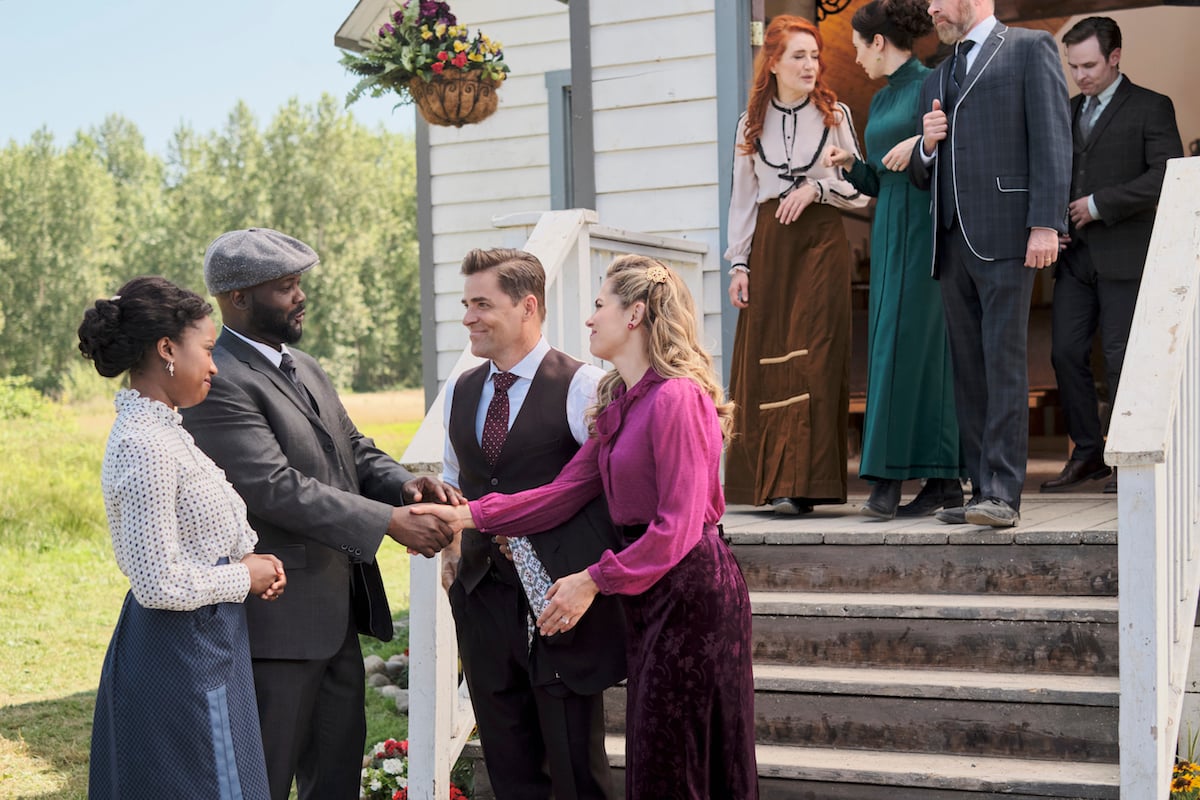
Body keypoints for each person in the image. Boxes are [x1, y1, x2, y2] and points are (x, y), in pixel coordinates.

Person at [415, 255, 758, 798]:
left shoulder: (679, 398)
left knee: (685, 760)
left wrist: (593, 578)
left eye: (600, 306)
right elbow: (562, 494)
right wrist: (464, 515)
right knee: (655, 757)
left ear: (636, 314)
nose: (589, 319)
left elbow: (677, 528)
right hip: (647, 593)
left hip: (691, 592)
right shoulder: (620, 400)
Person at [179, 228, 458, 800]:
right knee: (267, 780)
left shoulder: (304, 365)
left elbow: (351, 447)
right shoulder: (219, 380)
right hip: (275, 626)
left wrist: (406, 486)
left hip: (335, 617)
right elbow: (274, 487)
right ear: (237, 298)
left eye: (299, 283)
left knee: (334, 780)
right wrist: (387, 523)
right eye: (285, 287)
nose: (300, 295)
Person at [79, 276, 286, 800]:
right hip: (177, 655)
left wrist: (248, 558)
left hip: (209, 643)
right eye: (209, 350)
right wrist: (245, 574)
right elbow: (156, 583)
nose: (215, 366)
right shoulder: (143, 445)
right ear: (168, 349)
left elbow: (199, 535)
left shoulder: (168, 430)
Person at [439, 248, 626, 799]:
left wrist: (590, 582)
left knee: (574, 767)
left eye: (482, 304)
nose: (469, 317)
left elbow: (610, 498)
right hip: (483, 599)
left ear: (527, 306)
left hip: (557, 603)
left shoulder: (584, 386)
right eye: (465, 304)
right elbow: (459, 484)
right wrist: (453, 565)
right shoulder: (461, 388)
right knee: (508, 761)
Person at [907, 0, 1071, 527]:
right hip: (951, 241)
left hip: (1005, 235)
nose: (931, 8)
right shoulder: (939, 73)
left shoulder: (1029, 48)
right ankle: (981, 493)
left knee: (1002, 364)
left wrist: (1046, 223)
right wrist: (926, 147)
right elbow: (920, 170)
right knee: (968, 372)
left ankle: (1003, 492)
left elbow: (1051, 137)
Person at [724, 14, 870, 515]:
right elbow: (742, 199)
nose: (810, 65)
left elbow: (859, 188)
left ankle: (809, 481)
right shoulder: (751, 122)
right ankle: (771, 481)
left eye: (814, 56)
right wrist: (738, 264)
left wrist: (816, 187)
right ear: (775, 62)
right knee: (769, 352)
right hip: (769, 246)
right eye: (798, 56)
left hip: (820, 243)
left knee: (817, 353)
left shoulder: (836, 114)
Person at [825, 0, 965, 520]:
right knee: (894, 349)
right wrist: (850, 167)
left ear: (878, 41)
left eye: (860, 47)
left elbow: (948, 146)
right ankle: (942, 482)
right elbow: (883, 180)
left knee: (915, 353)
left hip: (926, 232)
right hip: (889, 235)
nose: (858, 58)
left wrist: (916, 143)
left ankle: (894, 479)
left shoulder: (935, 81)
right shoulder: (882, 99)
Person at [1041, 16, 1182, 496]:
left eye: (1089, 65)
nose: (1079, 75)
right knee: (1064, 354)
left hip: (1125, 254)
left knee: (1121, 358)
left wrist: (1099, 205)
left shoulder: (1151, 107)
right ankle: (1086, 453)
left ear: (1115, 56)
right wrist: (1050, 220)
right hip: (1073, 258)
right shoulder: (1066, 108)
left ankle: (1124, 459)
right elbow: (1053, 174)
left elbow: (1166, 175)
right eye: (1072, 66)